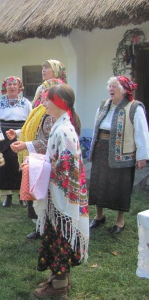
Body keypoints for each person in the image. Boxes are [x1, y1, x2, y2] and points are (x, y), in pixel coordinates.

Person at [33, 84, 89, 299]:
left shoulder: (64, 130)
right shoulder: (61, 125)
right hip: (61, 199)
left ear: (58, 103)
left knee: (60, 241)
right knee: (58, 240)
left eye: (47, 100)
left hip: (62, 201)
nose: (43, 103)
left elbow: (64, 169)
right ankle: (57, 281)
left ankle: (59, 288)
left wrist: (36, 167)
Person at [88, 76, 149, 234]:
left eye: (115, 86)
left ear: (124, 90)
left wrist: (142, 156)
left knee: (120, 187)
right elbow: (96, 128)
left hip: (122, 155)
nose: (111, 89)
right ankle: (99, 216)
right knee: (98, 184)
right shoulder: (104, 105)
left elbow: (142, 133)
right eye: (110, 86)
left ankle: (120, 221)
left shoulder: (134, 107)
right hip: (101, 150)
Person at [7, 78, 64, 239]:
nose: (42, 97)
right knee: (37, 195)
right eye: (42, 94)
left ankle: (47, 227)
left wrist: (26, 145)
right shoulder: (41, 110)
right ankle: (40, 226)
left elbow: (48, 141)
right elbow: (32, 128)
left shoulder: (52, 116)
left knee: (44, 195)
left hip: (46, 161)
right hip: (36, 159)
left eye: (45, 95)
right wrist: (18, 133)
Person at [0, 76, 32, 207]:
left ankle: (22, 196)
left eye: (15, 84)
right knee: (5, 166)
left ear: (19, 87)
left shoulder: (26, 102)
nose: (12, 87)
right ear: (5, 87)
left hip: (20, 135)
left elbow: (30, 121)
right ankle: (8, 197)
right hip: (4, 136)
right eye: (9, 84)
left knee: (20, 165)